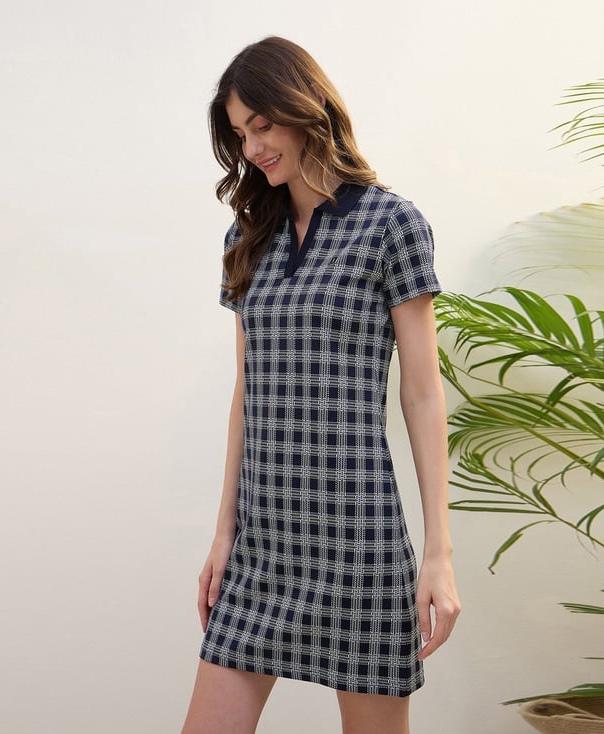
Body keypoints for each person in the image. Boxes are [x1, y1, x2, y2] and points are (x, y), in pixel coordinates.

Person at [182, 36, 461, 734]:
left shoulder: (392, 225)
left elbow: (422, 394)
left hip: (357, 540)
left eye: (262, 125)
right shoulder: (247, 236)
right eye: (240, 134)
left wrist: (438, 554)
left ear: (305, 108)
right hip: (262, 542)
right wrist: (223, 533)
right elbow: (247, 393)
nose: (252, 148)